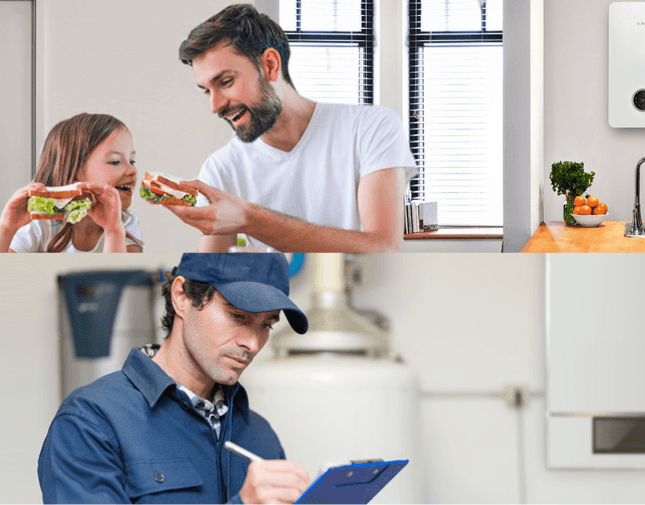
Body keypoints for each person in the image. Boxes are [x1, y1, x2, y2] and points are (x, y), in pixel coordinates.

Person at [38, 253, 311, 504]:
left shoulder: (259, 434)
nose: (252, 343)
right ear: (181, 296)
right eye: (238, 316)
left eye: (266, 325)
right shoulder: (91, 422)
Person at [170, 4, 416, 253]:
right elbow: (210, 276)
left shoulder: (371, 128)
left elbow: (384, 247)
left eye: (225, 82)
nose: (215, 105)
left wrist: (250, 219)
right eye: (207, 91)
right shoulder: (221, 169)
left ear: (270, 66)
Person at [0, 113, 143, 253]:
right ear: (73, 172)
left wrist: (113, 231)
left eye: (132, 161)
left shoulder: (124, 222)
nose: (132, 170)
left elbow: (121, 275)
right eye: (115, 162)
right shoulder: (39, 224)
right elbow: (8, 275)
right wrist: (6, 229)